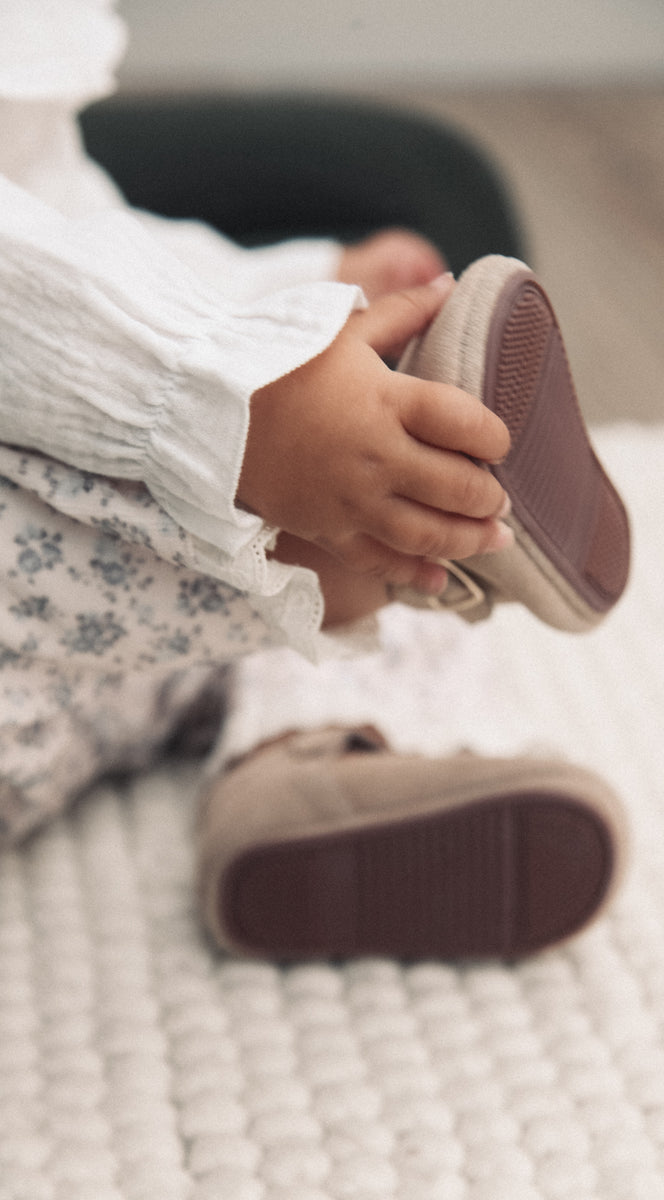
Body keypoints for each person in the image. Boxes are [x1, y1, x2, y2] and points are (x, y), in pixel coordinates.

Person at [0, 0, 630, 959]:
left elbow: (76, 225)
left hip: (84, 684)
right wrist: (240, 397)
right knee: (364, 498)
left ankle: (312, 763)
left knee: (433, 210)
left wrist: (298, 293)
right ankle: (307, 559)